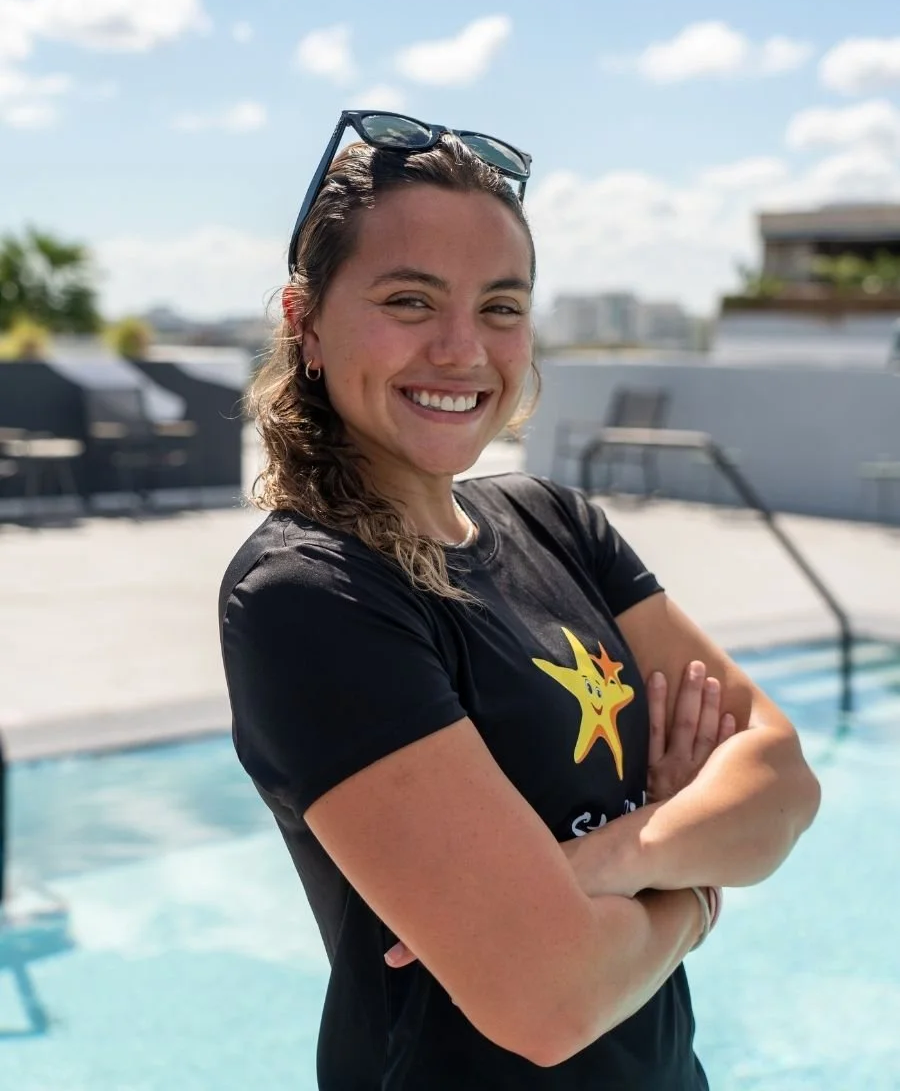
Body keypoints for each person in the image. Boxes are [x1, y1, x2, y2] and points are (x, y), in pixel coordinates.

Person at [219, 111, 821, 1090]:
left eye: (501, 306)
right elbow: (549, 1001)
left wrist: (610, 864)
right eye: (410, 300)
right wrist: (700, 885)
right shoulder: (310, 592)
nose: (462, 349)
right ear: (306, 324)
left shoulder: (556, 525)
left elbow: (785, 782)